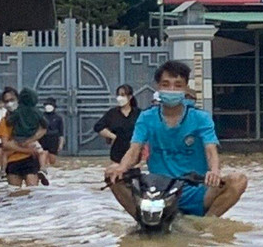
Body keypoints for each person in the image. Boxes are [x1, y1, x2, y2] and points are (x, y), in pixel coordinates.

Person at [104, 60, 247, 219]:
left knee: (238, 180)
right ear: (158, 87)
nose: (171, 89)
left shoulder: (201, 118)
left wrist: (214, 171)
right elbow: (134, 149)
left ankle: (206, 222)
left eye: (178, 85)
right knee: (111, 173)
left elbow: (210, 150)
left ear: (185, 88)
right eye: (166, 84)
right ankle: (142, 221)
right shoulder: (146, 117)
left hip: (197, 190)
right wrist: (122, 168)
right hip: (158, 191)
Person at [0, 87, 46, 187]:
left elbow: (43, 130)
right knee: (14, 192)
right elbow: (5, 144)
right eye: (6, 101)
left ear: (18, 99)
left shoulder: (30, 115)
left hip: (31, 160)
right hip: (13, 161)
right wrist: (27, 150)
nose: (9, 103)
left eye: (12, 100)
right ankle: (2, 173)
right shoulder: (4, 121)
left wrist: (30, 141)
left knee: (32, 191)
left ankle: (43, 170)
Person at [95, 85, 141, 164]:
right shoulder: (112, 113)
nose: (120, 98)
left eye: (122, 95)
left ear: (130, 97)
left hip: (134, 154)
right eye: (118, 95)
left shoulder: (138, 113)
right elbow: (98, 126)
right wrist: (113, 136)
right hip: (117, 155)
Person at [41, 99, 65, 167]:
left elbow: (61, 132)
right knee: (43, 156)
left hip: (53, 140)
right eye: (47, 105)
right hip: (42, 139)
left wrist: (61, 144)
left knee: (52, 160)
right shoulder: (41, 116)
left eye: (50, 105)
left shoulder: (58, 118)